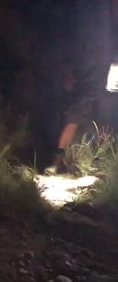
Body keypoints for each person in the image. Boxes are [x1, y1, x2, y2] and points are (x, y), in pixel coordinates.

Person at [44, 0, 118, 175]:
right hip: (89, 68)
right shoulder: (84, 13)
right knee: (75, 113)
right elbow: (71, 36)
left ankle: (103, 163)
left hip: (106, 65)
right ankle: (59, 160)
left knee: (105, 112)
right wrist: (69, 71)